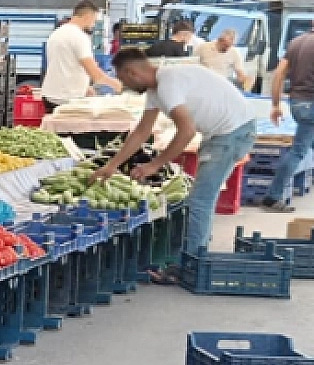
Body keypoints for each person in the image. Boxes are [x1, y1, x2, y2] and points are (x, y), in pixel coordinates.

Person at [93, 48, 257, 280]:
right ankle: (195, 259)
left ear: (132, 72)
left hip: (232, 133)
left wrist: (154, 165)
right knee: (201, 200)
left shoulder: (168, 83)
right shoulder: (156, 89)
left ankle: (190, 268)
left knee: (200, 201)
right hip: (224, 133)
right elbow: (142, 131)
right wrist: (112, 165)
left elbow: (187, 131)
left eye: (123, 79)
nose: (125, 85)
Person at [260, 30, 314, 212]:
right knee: (298, 151)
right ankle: (273, 197)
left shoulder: (296, 42)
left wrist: (275, 104)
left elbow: (279, 74)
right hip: (311, 102)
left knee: (299, 149)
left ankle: (273, 196)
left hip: (298, 102)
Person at [40, 1, 119, 109]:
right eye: (94, 21)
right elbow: (95, 74)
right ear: (87, 17)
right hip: (67, 100)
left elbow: (65, 66)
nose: (94, 25)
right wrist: (118, 85)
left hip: (51, 96)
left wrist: (85, 88)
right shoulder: (79, 37)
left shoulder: (56, 33)